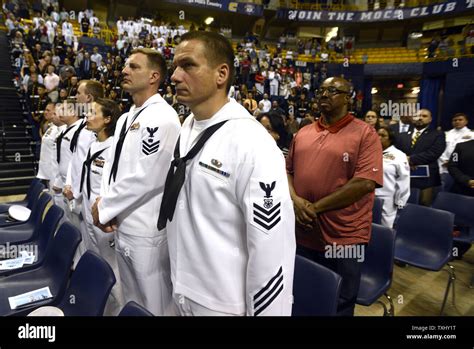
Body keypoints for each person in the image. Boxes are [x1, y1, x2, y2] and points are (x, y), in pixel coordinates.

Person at [160, 31, 295, 316]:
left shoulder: (252, 143)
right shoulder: (188, 127)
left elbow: (271, 248)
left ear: (222, 74)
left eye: (188, 65)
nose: (174, 76)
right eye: (174, 67)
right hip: (180, 288)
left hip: (222, 304)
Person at [91, 48, 180, 315]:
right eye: (126, 65)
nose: (124, 71)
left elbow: (148, 176)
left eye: (133, 67)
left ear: (154, 76)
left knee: (154, 303)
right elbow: (112, 165)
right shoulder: (127, 116)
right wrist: (103, 203)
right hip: (121, 221)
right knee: (131, 299)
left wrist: (106, 207)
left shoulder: (163, 117)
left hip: (146, 229)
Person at [286, 77, 383, 316]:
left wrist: (314, 208)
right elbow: (287, 171)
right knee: (306, 290)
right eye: (321, 90)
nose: (324, 94)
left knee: (341, 299)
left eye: (332, 90)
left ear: (347, 98)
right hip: (304, 230)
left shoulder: (365, 134)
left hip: (346, 236)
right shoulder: (304, 132)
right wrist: (296, 202)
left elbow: (364, 183)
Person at [80, 98, 123, 315]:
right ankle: (103, 308)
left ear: (107, 119)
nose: (87, 116)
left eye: (93, 113)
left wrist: (106, 213)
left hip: (104, 218)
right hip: (89, 214)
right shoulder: (93, 144)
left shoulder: (114, 147)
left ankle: (119, 311)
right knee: (97, 263)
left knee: (112, 269)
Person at [397, 109, 446, 206]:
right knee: (402, 205)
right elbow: (396, 152)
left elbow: (434, 153)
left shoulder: (438, 134)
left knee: (423, 206)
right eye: (417, 115)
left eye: (424, 116)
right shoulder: (402, 135)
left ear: (430, 119)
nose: (420, 118)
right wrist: (405, 161)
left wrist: (411, 159)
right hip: (404, 176)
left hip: (426, 180)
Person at [375, 126, 410, 228]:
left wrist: (400, 201)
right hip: (367, 196)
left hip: (387, 198)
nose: (379, 137)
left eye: (383, 135)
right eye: (377, 134)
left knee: (384, 228)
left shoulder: (399, 155)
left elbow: (404, 179)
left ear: (390, 139)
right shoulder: (369, 152)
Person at [438, 113, 474, 191]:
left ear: (466, 121)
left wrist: (452, 162)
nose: (457, 122)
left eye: (460, 120)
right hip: (444, 167)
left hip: (461, 169)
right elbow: (440, 149)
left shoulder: (472, 134)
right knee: (443, 190)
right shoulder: (445, 134)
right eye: (455, 120)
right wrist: (445, 161)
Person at [36, 102, 64, 191]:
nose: (45, 112)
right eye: (45, 110)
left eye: (48, 110)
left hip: (55, 172)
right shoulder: (52, 126)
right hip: (47, 171)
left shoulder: (61, 128)